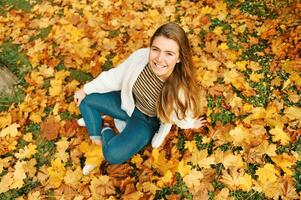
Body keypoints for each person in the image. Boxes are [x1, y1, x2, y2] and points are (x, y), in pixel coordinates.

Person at [74, 22, 207, 175]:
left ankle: (105, 127)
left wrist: (191, 123)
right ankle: (97, 137)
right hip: (128, 104)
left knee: (112, 154)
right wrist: (84, 89)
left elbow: (183, 116)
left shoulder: (180, 90)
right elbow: (116, 76)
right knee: (85, 100)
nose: (159, 59)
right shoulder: (141, 57)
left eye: (169, 53)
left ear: (179, 58)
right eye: (155, 50)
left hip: (145, 120)